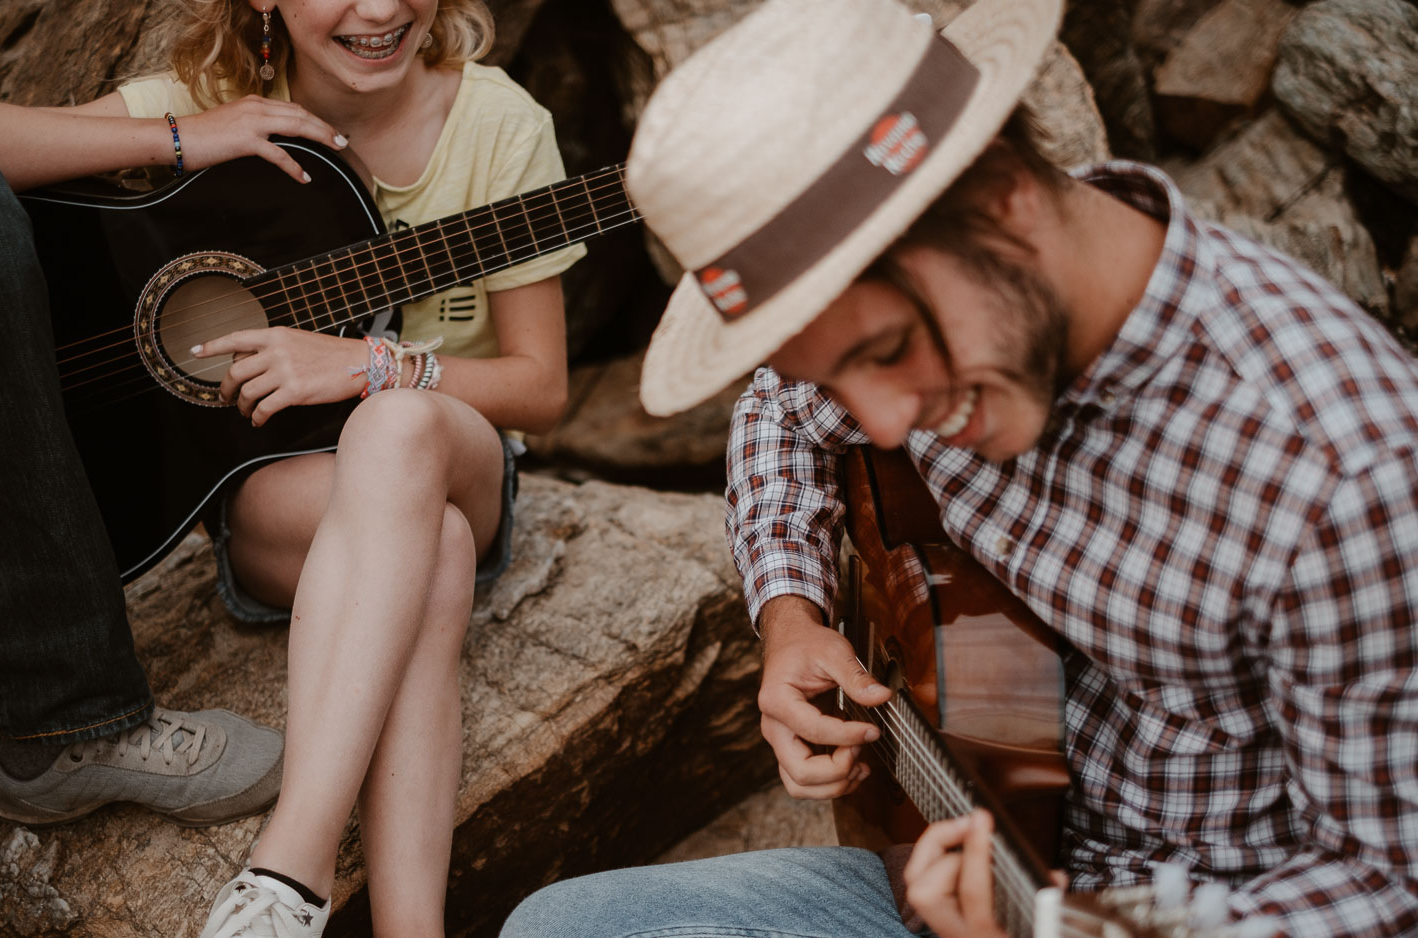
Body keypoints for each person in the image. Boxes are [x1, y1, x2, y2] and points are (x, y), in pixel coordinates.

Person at [498, 0, 1418, 936]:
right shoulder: (957, 330)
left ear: (1007, 192)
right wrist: (790, 616)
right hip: (986, 838)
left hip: (1178, 915)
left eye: (890, 348)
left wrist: (1073, 930)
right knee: (558, 924)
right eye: (838, 374)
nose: (887, 419)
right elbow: (779, 408)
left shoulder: (1347, 474)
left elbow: (1389, 886)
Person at [0, 0, 584, 936]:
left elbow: (542, 387)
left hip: (450, 458)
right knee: (421, 554)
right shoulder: (221, 96)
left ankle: (287, 871)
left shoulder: (495, 121)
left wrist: (373, 365)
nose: (381, 8)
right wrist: (184, 135)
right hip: (293, 504)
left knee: (394, 434)